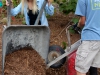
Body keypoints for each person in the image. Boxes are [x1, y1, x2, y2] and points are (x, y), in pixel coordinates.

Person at [74, 0, 100, 75]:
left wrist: (77, 26)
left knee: (80, 70)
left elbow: (82, 21)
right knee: (93, 67)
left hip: (91, 36)